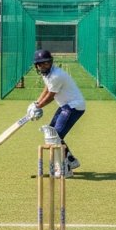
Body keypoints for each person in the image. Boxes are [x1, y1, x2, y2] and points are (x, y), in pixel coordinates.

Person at [31, 49, 84, 177]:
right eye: (40, 64)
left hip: (74, 106)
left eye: (46, 63)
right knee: (52, 133)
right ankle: (71, 161)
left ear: (51, 62)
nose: (43, 66)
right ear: (36, 65)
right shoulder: (47, 74)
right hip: (65, 106)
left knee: (55, 137)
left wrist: (39, 106)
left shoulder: (56, 75)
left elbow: (50, 95)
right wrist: (36, 103)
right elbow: (47, 88)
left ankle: (65, 169)